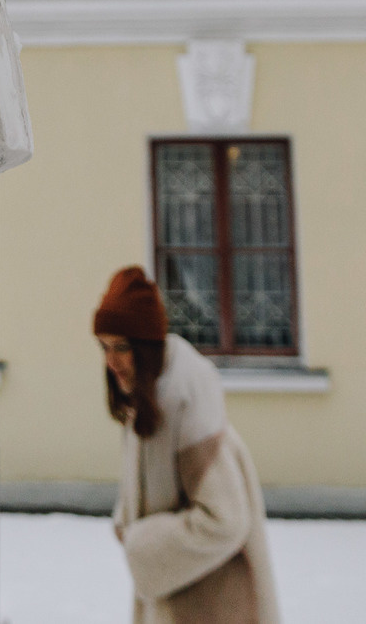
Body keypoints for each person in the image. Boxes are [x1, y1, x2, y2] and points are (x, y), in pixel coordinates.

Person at [94, 266, 284, 623]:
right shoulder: (147, 401)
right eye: (104, 347)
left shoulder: (187, 403)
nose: (111, 361)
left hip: (212, 603)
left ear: (146, 346)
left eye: (121, 347)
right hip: (178, 598)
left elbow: (224, 520)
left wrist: (142, 543)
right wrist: (126, 519)